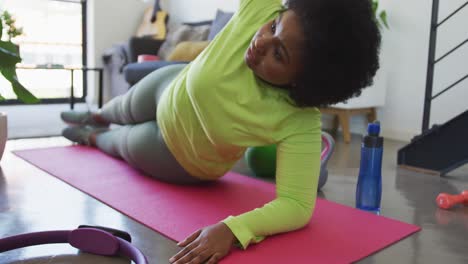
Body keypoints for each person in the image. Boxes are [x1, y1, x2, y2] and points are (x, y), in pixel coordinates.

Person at [61, 0, 380, 263]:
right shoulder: (260, 9)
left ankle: (93, 136)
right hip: (170, 85)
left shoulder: (299, 120)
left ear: (302, 84)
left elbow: (297, 206)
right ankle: (97, 115)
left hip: (177, 155)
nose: (262, 43)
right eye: (274, 26)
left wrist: (232, 230)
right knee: (122, 106)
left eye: (278, 54)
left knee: (119, 143)